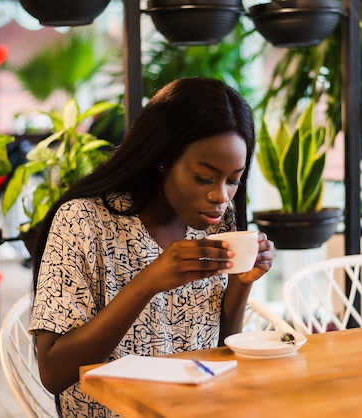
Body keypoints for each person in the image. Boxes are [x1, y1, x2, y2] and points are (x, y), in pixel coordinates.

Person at [29, 77, 275, 417]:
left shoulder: (217, 223)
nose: (221, 196)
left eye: (233, 180)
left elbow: (219, 351)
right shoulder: (83, 221)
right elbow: (53, 373)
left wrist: (240, 284)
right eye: (205, 177)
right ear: (162, 158)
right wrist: (148, 282)